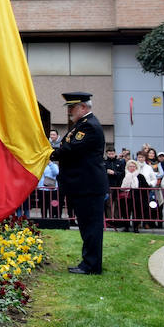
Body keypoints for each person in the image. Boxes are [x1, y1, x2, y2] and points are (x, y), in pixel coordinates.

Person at [53, 92, 108, 274]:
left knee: (91, 227)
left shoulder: (89, 126)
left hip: (88, 186)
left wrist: (48, 153)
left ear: (83, 107)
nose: (69, 111)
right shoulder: (81, 125)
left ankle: (91, 266)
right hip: (83, 185)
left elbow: (70, 149)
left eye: (72, 107)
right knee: (86, 226)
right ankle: (89, 262)